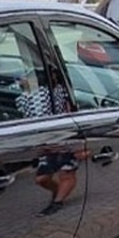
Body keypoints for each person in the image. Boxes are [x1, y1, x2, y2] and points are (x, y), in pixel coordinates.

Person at [14, 69, 80, 216]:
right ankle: (57, 193)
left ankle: (57, 202)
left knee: (66, 172)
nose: (19, 81)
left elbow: (69, 109)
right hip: (44, 142)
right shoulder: (23, 98)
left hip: (63, 138)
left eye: (25, 77)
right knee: (41, 178)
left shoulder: (56, 92)